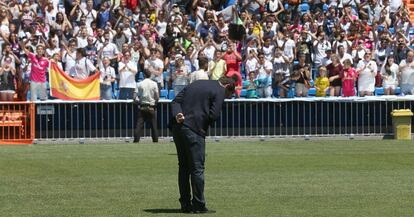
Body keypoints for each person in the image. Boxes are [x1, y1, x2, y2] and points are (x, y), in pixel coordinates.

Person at [170, 75, 237, 214]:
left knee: (183, 167)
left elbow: (175, 102)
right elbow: (214, 115)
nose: (227, 97)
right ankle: (199, 205)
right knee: (197, 168)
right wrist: (203, 124)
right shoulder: (219, 90)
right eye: (229, 95)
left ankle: (185, 204)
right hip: (194, 130)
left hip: (178, 127)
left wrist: (179, 114)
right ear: (227, 87)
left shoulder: (196, 83)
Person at [134, 70, 159, 143]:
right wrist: (155, 104)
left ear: (143, 75)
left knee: (139, 125)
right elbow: (157, 97)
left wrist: (138, 103)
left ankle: (136, 140)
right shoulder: (154, 84)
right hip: (151, 107)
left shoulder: (139, 84)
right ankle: (155, 141)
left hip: (142, 106)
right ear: (150, 75)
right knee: (154, 126)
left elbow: (134, 97)